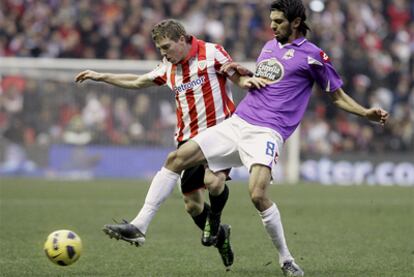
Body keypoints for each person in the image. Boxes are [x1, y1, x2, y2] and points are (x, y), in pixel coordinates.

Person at [75, 19, 266, 269]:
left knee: (213, 181)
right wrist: (102, 77)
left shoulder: (212, 52)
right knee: (192, 206)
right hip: (188, 141)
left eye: (167, 47)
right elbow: (137, 82)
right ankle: (221, 235)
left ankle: (143, 225)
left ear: (182, 39)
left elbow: (235, 77)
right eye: (160, 49)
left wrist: (247, 82)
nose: (164, 53)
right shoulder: (167, 66)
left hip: (221, 133)